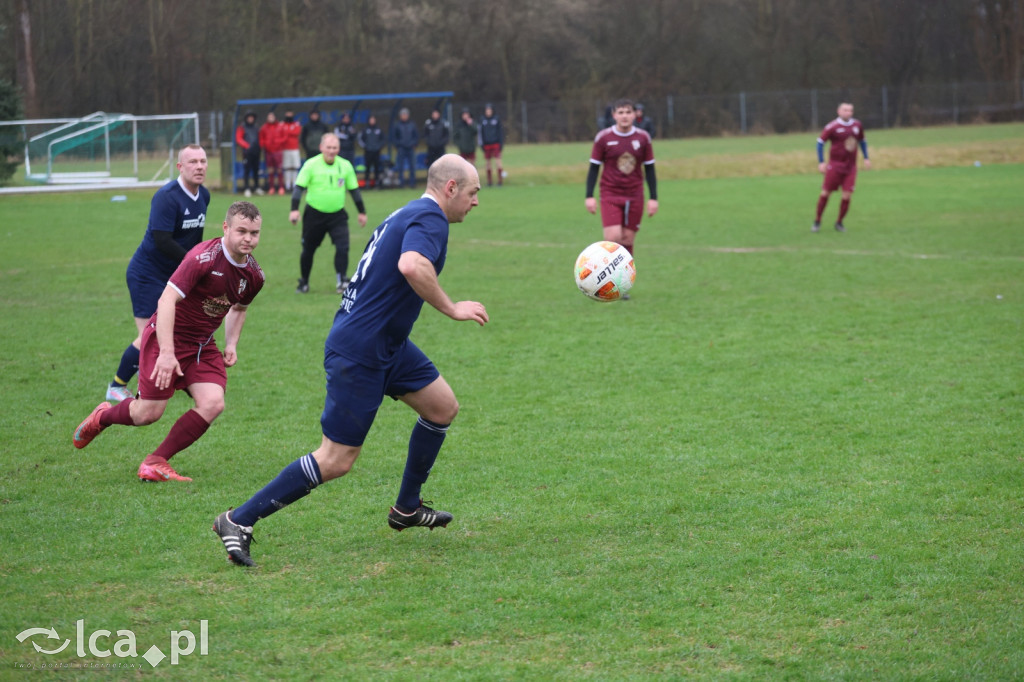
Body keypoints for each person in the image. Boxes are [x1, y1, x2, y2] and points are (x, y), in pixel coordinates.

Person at [213, 155, 486, 568]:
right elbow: (412, 265)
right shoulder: (432, 219)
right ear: (450, 188)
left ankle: (407, 509)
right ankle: (238, 520)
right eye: (473, 192)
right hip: (361, 350)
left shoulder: (409, 211)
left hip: (387, 343)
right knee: (337, 459)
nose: (476, 201)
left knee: (442, 406)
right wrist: (452, 308)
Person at [75, 202, 265, 483]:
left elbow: (238, 309)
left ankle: (155, 461)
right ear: (225, 228)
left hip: (202, 345)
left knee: (213, 403)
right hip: (167, 337)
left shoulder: (254, 275)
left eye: (255, 233)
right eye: (242, 231)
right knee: (147, 414)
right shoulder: (202, 258)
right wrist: (166, 353)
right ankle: (102, 416)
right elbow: (166, 300)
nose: (248, 238)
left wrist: (232, 343)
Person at [104, 144, 210, 404]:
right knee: (150, 335)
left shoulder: (204, 195)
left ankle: (168, 379)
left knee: (173, 329)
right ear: (180, 167)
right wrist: (193, 263)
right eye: (193, 162)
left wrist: (200, 261)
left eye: (203, 161)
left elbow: (195, 239)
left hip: (174, 275)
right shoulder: (166, 196)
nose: (199, 166)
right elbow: (162, 240)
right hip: (147, 274)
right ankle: (117, 386)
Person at [584, 98, 658, 299]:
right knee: (613, 238)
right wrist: (589, 196)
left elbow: (650, 169)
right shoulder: (603, 138)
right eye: (620, 112)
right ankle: (604, 282)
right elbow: (593, 168)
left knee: (627, 239)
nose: (624, 116)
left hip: (635, 194)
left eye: (628, 112)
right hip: (610, 193)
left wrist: (654, 198)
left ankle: (622, 285)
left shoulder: (643, 138)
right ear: (614, 115)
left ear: (635, 115)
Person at [290, 133, 368, 295]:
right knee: (308, 249)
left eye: (335, 148)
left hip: (337, 215)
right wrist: (294, 209)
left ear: (339, 149)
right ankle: (304, 281)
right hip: (314, 214)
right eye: (328, 147)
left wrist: (362, 212)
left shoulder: (345, 166)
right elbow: (299, 188)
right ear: (321, 148)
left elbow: (354, 191)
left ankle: (342, 281)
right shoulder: (311, 164)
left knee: (343, 247)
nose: (331, 151)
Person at [813, 102, 871, 233]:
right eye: (845, 110)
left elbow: (862, 141)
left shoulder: (857, 125)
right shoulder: (832, 126)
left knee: (847, 196)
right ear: (839, 111)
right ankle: (817, 220)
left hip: (850, 168)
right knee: (825, 193)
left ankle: (839, 222)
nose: (848, 113)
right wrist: (821, 162)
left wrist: (866, 158)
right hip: (834, 166)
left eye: (850, 110)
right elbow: (820, 143)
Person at [390, 107, 419, 188]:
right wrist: (398, 145)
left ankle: (412, 183)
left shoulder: (412, 124)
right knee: (400, 167)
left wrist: (414, 144)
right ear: (400, 116)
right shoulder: (397, 125)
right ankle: (401, 184)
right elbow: (394, 137)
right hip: (401, 148)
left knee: (412, 166)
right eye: (403, 114)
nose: (404, 116)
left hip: (411, 148)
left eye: (405, 114)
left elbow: (416, 136)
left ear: (408, 115)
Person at [234, 111, 261, 197]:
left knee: (256, 170)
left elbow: (260, 138)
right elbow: (238, 139)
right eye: (249, 117)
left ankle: (257, 187)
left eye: (252, 117)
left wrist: (259, 146)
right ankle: (247, 188)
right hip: (247, 153)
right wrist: (247, 146)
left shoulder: (256, 127)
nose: (250, 119)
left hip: (256, 152)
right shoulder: (242, 127)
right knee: (247, 170)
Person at [259, 112, 285, 195]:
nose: (271, 118)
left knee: (279, 169)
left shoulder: (279, 126)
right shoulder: (264, 127)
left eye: (272, 117)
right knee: (270, 170)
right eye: (269, 117)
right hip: (268, 151)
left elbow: (284, 137)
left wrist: (278, 142)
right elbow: (261, 138)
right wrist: (264, 144)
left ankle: (281, 187)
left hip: (278, 151)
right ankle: (271, 188)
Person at [479, 103, 504, 187]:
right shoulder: (483, 120)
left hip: (496, 144)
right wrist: (482, 144)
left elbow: (500, 132)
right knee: (488, 164)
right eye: (487, 110)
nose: (488, 112)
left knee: (498, 162)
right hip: (487, 145)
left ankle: (500, 181)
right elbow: (481, 133)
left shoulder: (496, 119)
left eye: (490, 110)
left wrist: (501, 144)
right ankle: (489, 182)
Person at [358, 114, 385, 188]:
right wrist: (366, 147)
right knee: (368, 168)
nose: (372, 121)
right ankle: (367, 183)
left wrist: (378, 147)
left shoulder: (378, 130)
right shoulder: (365, 130)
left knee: (376, 168)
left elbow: (383, 139)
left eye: (373, 119)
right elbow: (360, 140)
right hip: (368, 152)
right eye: (371, 119)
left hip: (376, 152)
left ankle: (376, 183)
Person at [280, 110, 302, 191]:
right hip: (285, 149)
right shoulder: (282, 124)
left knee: (295, 167)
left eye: (290, 113)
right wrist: (289, 132)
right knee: (287, 167)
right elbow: (281, 133)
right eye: (287, 113)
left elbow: (297, 132)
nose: (289, 115)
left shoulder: (296, 124)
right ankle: (288, 185)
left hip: (295, 149)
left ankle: (295, 185)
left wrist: (287, 132)